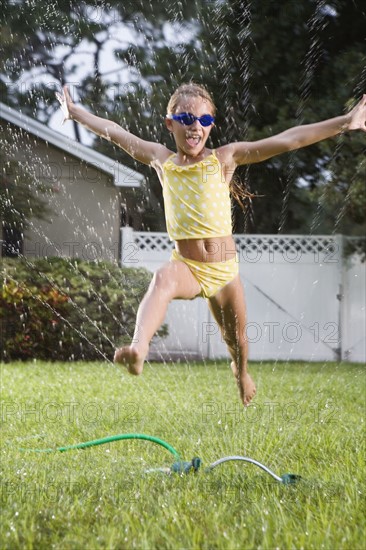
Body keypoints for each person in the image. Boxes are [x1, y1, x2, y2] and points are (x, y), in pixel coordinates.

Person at [56, 83, 366, 406]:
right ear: (170, 123)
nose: (195, 126)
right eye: (186, 118)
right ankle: (138, 350)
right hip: (188, 267)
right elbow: (115, 134)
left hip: (226, 272)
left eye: (204, 121)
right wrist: (76, 112)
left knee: (238, 341)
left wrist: (346, 122)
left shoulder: (224, 159)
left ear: (210, 127)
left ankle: (241, 372)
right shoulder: (162, 161)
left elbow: (289, 140)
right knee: (161, 278)